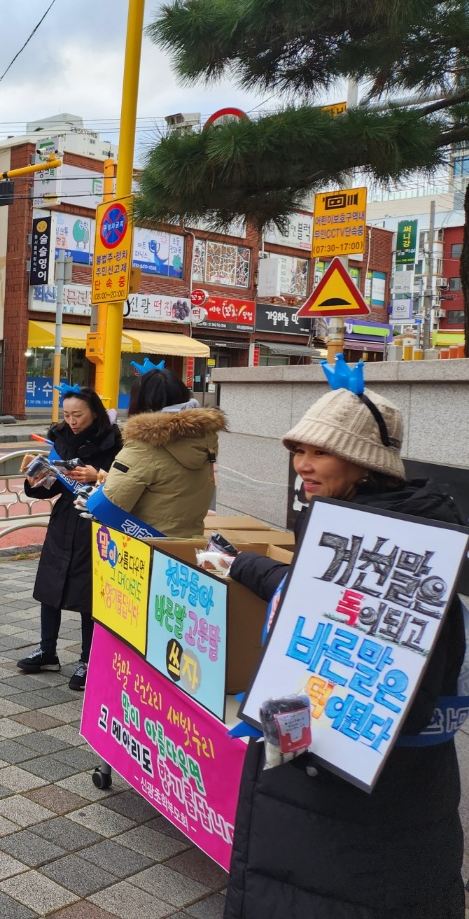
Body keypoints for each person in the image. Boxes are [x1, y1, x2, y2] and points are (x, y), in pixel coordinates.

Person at [221, 384, 466, 919]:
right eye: (298, 451)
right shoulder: (347, 525)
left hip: (358, 809)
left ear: (364, 464)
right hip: (316, 794)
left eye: (320, 451)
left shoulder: (410, 549)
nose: (302, 465)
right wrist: (243, 565)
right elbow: (315, 599)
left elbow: (406, 699)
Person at [18, 386, 123, 690]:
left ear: (94, 412)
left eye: (78, 415)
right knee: (50, 585)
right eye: (66, 415)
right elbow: (53, 487)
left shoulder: (114, 440)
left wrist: (98, 476)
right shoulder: (60, 437)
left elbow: (126, 484)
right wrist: (36, 480)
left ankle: (88, 660)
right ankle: (47, 651)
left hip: (96, 521)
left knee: (88, 593)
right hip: (65, 518)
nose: (72, 421)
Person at [101, 364, 225, 539]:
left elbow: (110, 505)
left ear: (140, 403)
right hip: (189, 543)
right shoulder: (203, 439)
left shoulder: (144, 446)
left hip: (145, 548)